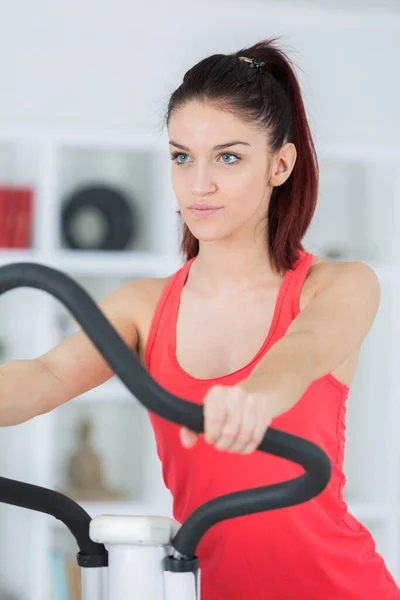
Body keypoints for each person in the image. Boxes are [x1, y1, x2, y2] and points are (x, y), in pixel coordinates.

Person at [0, 37, 398, 599]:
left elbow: (304, 349)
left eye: (228, 157)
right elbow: (41, 378)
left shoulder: (336, 286)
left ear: (279, 164)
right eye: (181, 156)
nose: (198, 184)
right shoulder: (143, 306)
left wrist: (254, 397)